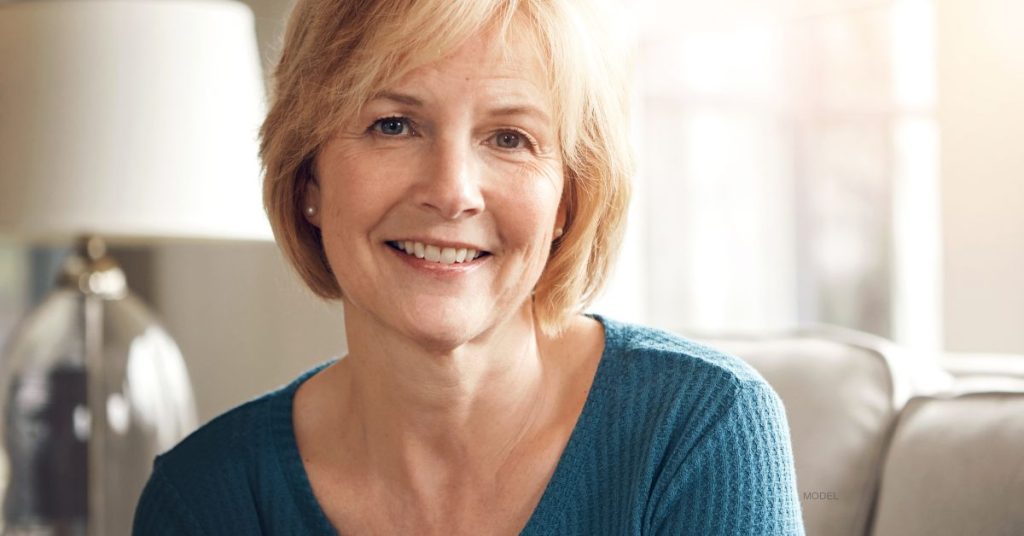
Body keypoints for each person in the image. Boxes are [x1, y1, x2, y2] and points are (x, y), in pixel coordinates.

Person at [133, 0, 805, 534]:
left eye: (510, 138)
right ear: (308, 178)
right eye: (394, 124)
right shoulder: (207, 498)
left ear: (569, 198)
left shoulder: (700, 432)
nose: (453, 190)